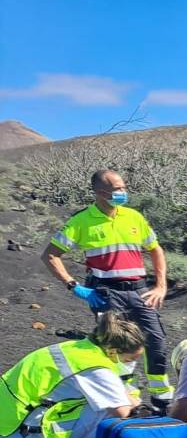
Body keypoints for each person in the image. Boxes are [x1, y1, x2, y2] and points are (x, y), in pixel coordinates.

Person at [42, 169, 174, 410]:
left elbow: (156, 249)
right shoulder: (81, 221)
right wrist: (75, 287)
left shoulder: (133, 217)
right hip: (106, 293)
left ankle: (161, 399)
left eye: (124, 187)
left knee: (156, 341)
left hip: (139, 289)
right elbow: (50, 255)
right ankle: (127, 400)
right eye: (117, 189)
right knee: (117, 345)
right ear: (99, 193)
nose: (123, 193)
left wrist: (160, 285)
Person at [0, 312, 143, 438]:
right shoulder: (96, 369)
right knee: (108, 417)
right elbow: (124, 411)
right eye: (129, 359)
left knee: (73, 402)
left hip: (10, 430)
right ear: (113, 350)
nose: (131, 364)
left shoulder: (76, 349)